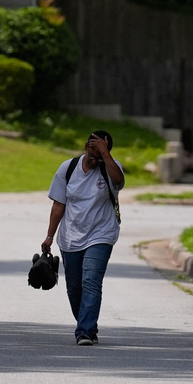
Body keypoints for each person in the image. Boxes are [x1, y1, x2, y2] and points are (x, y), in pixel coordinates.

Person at [42, 130, 125, 346]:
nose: (94, 159)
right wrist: (50, 236)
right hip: (71, 236)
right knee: (74, 287)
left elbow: (119, 182)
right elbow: (59, 203)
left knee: (91, 281)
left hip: (101, 234)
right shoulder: (68, 168)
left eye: (100, 154)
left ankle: (84, 332)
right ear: (86, 147)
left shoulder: (111, 167)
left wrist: (105, 155)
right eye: (92, 153)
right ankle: (87, 323)